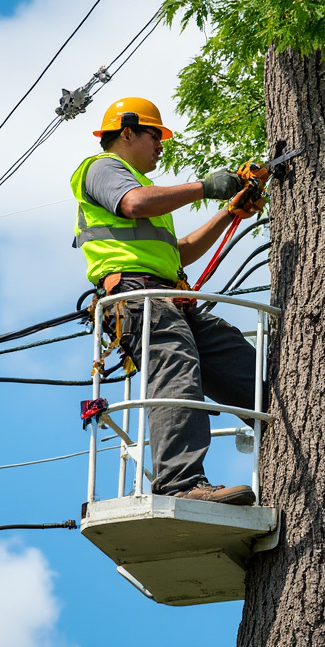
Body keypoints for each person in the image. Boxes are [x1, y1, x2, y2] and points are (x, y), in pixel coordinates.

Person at [72, 96, 260, 505]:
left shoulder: (147, 197)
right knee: (176, 368)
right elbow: (134, 203)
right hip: (137, 298)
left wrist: (230, 211)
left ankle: (291, 423)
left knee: (248, 370)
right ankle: (181, 483)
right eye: (155, 136)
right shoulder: (103, 169)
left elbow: (182, 251)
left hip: (168, 299)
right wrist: (203, 188)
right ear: (127, 132)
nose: (161, 146)